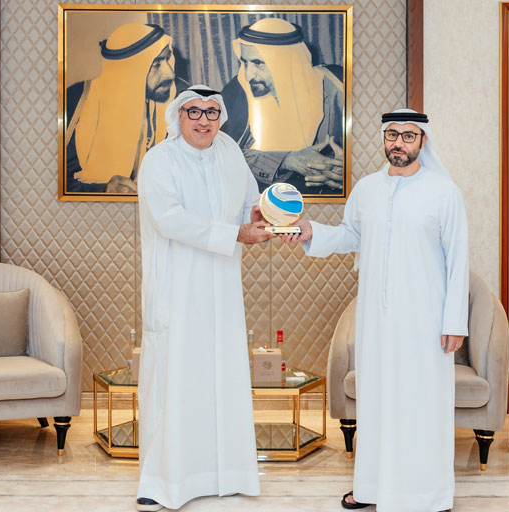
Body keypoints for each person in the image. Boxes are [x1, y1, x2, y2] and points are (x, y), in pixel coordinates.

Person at [282, 109, 468, 512]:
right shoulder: (367, 189)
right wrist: (314, 231)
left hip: (425, 321)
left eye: (408, 136)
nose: (399, 143)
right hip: (377, 320)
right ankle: (371, 489)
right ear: (384, 139)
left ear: (422, 141)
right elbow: (351, 236)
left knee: (422, 402)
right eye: (392, 135)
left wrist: (455, 321)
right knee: (379, 401)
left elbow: (458, 259)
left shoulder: (444, 192)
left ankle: (428, 495)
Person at [135, 85, 275, 511]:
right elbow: (169, 219)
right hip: (178, 290)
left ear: (220, 118)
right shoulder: (159, 160)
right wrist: (236, 233)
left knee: (222, 377)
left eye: (212, 112)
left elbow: (248, 201)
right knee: (175, 380)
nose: (203, 120)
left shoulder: (229, 152)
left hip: (222, 290)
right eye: (194, 111)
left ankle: (225, 475)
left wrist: (258, 218)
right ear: (179, 116)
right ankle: (163, 481)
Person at [221, 17, 346, 194]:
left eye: (258, 63)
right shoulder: (237, 91)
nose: (248, 75)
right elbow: (221, 155)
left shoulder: (338, 86)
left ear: (287, 61)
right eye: (245, 62)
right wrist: (286, 160)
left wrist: (347, 170)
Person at [64, 23, 180, 193]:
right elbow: (53, 181)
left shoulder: (172, 103)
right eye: (156, 64)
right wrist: (103, 190)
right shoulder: (76, 102)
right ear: (128, 70)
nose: (170, 73)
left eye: (168, 59)